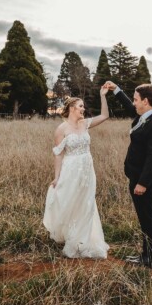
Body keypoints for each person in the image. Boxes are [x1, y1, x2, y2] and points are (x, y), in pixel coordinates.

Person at [43, 87, 110, 259]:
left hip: (87, 170)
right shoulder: (61, 129)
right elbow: (58, 154)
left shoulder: (85, 123)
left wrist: (103, 96)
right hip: (71, 170)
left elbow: (104, 116)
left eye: (83, 107)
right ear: (72, 108)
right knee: (71, 202)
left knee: (87, 203)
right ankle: (71, 237)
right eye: (80, 106)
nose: (83, 109)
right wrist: (57, 177)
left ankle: (85, 239)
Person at [104, 81, 152, 269]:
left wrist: (142, 183)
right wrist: (116, 90)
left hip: (143, 181)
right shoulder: (143, 116)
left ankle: (151, 259)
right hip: (135, 177)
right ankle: (145, 256)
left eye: (136, 99)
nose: (134, 102)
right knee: (143, 218)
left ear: (145, 101)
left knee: (148, 219)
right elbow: (129, 107)